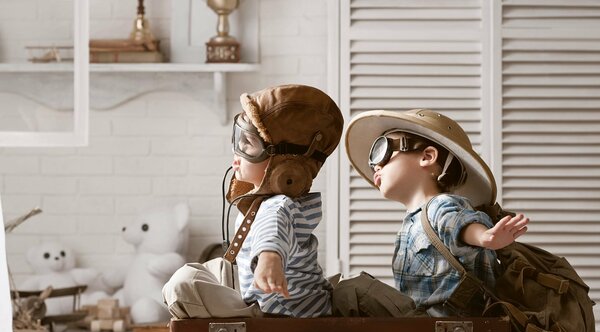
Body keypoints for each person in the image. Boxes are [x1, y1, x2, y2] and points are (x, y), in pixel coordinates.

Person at [163, 84, 344, 318]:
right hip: (268, 303)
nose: (237, 155)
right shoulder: (265, 203)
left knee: (184, 283)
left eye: (248, 144)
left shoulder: (279, 206)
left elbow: (273, 231)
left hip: (285, 317)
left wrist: (269, 258)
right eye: (238, 140)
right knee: (215, 268)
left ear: (287, 168)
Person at [345, 109, 529, 317]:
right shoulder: (411, 224)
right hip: (422, 323)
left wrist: (485, 237)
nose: (376, 166)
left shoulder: (439, 205)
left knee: (349, 290)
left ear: (427, 156)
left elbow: (456, 223)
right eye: (372, 162)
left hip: (445, 322)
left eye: (383, 152)